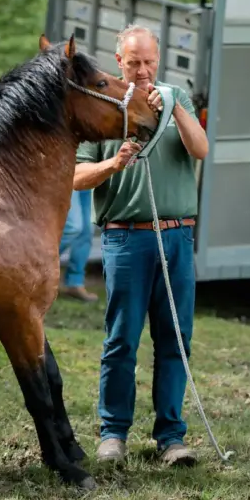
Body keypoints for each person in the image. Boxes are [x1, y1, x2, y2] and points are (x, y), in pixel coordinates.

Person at [73, 23, 209, 467]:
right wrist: (114, 162)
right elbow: (73, 177)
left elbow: (201, 149)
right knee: (122, 341)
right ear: (119, 62)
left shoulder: (176, 98)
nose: (144, 70)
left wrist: (175, 109)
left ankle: (171, 438)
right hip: (126, 240)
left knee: (175, 339)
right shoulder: (104, 107)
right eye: (134, 63)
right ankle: (113, 435)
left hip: (176, 236)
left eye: (150, 61)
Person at [58, 189, 98, 302]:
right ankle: (36, 269)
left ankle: (74, 282)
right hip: (68, 174)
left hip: (88, 173)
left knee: (87, 230)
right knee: (73, 227)